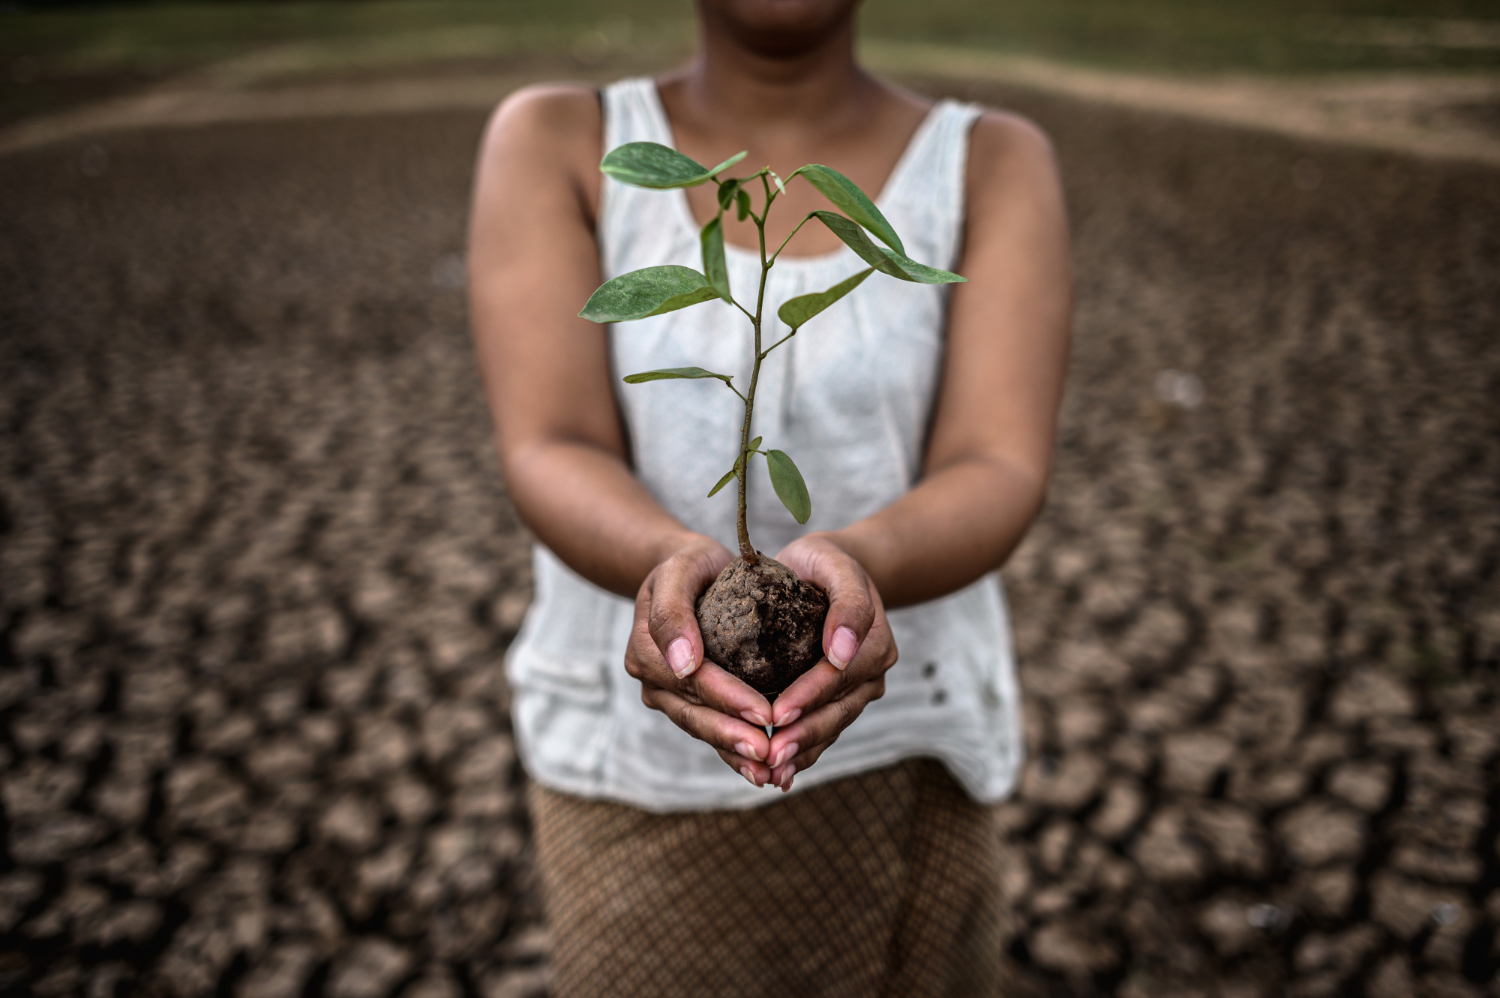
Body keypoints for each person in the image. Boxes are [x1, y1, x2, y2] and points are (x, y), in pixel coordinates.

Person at [467, 0, 1070, 993]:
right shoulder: (562, 138)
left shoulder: (988, 159)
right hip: (639, 775)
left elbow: (998, 462)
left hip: (908, 746)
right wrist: (673, 566)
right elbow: (549, 441)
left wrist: (861, 562)